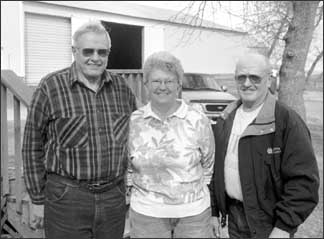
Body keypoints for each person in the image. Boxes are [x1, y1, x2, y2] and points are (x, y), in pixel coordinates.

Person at [22, 21, 137, 239]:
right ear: (74, 51)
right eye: (88, 51)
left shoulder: (122, 88)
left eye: (102, 52)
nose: (96, 57)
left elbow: (140, 133)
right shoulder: (51, 87)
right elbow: (31, 146)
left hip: (114, 196)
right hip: (67, 198)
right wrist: (37, 199)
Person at [210, 52, 319, 238]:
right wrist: (214, 212)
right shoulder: (225, 120)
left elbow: (304, 182)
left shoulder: (286, 121)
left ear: (268, 80)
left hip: (269, 224)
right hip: (234, 218)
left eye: (254, 77)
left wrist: (284, 227)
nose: (246, 83)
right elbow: (213, 171)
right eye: (241, 77)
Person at [127, 51, 215, 238]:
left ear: (178, 85)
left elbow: (208, 165)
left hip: (193, 216)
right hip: (146, 214)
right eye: (156, 81)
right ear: (146, 85)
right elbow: (128, 166)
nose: (162, 87)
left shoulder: (197, 119)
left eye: (169, 81)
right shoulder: (134, 121)